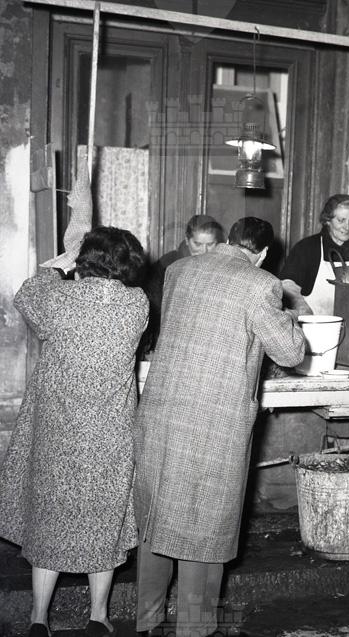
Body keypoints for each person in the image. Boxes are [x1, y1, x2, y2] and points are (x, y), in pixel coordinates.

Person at [134, 217, 306, 637]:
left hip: (162, 409)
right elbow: (289, 354)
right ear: (263, 253)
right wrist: (292, 317)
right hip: (213, 417)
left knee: (156, 515)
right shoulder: (261, 283)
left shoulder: (178, 270)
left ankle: (148, 619)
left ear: (229, 239)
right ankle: (194, 627)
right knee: (203, 522)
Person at [0, 155, 149, 637]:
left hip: (57, 432)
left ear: (84, 262)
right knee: (102, 524)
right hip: (108, 436)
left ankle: (38, 620)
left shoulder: (57, 298)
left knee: (49, 521)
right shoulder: (136, 304)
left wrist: (57, 266)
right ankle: (98, 617)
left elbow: (26, 295)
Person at [141, 214, 225, 355]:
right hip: (170, 343)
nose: (204, 251)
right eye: (197, 244)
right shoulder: (167, 264)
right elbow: (154, 311)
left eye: (210, 244)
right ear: (187, 240)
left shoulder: (223, 268)